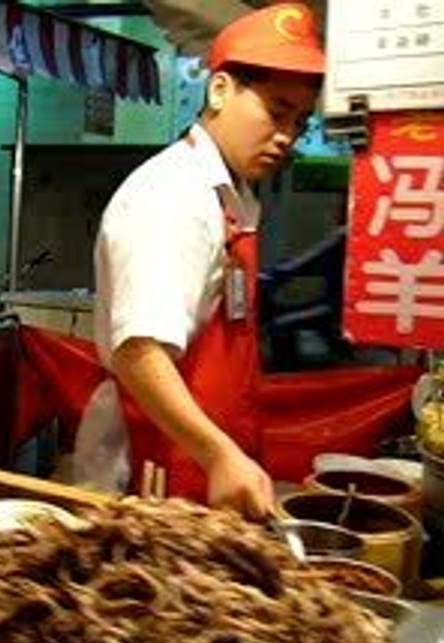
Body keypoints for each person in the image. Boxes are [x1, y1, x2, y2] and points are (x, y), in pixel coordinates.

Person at [76, 3, 324, 519]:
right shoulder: (172, 194)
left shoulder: (231, 199)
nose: (288, 135)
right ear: (219, 90)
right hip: (157, 472)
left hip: (199, 467)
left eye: (299, 121)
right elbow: (140, 352)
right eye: (277, 111)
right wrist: (219, 454)